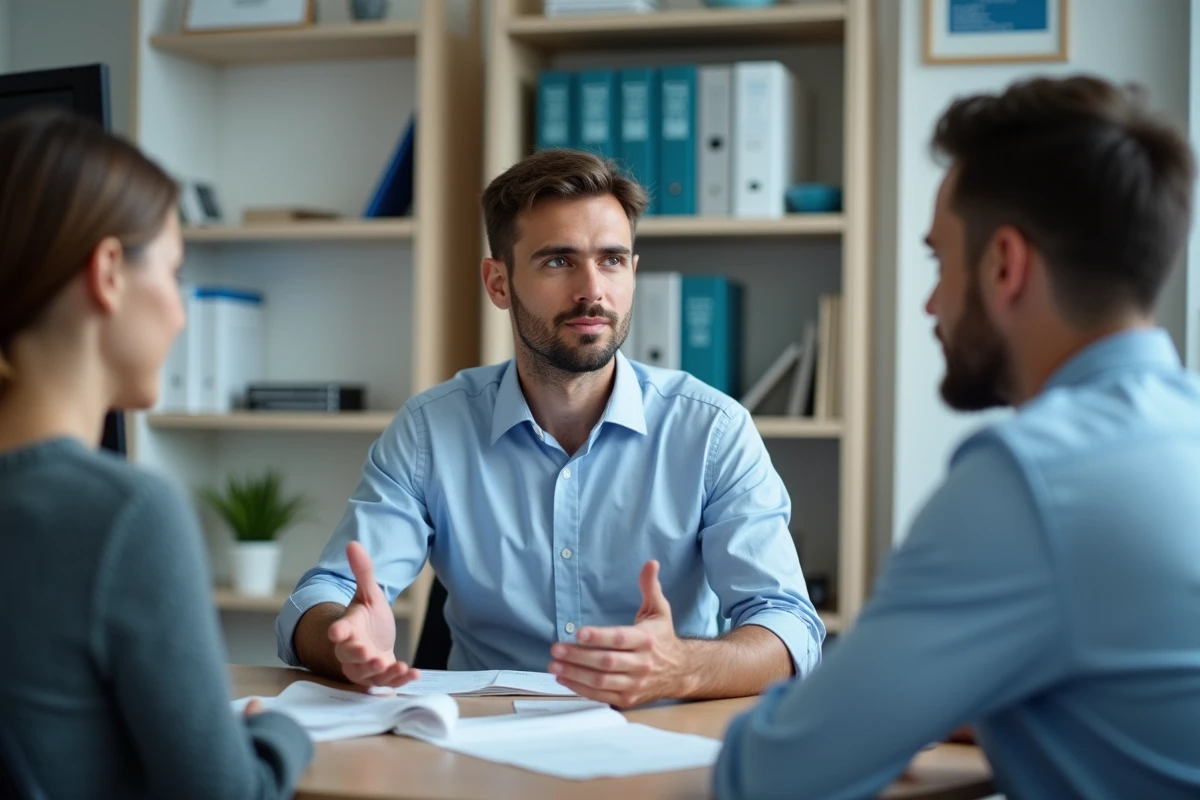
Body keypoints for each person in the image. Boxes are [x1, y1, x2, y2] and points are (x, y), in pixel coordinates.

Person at [714, 74, 1200, 799]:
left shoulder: (1031, 480)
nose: (931, 303)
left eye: (940, 261)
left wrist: (865, 711)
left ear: (1005, 265)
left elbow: (772, 775)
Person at [277, 148, 824, 706]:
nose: (592, 289)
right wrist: (341, 637)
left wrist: (683, 667)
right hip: (485, 748)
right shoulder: (429, 431)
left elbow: (788, 627)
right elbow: (322, 596)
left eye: (611, 260)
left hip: (661, 739)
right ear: (497, 282)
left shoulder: (713, 431)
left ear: (633, 274)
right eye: (559, 261)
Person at [0, 109, 313, 798]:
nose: (180, 312)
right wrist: (284, 736)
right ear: (109, 272)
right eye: (173, 274)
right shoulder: (121, 516)